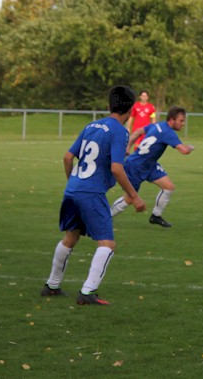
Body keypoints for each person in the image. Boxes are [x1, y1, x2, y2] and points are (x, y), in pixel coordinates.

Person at [40, 86, 146, 306]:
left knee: (70, 238)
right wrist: (134, 196)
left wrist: (72, 182)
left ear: (109, 105)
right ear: (130, 110)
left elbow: (67, 157)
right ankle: (87, 292)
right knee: (107, 244)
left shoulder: (91, 125)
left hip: (73, 189)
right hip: (91, 193)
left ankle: (52, 285)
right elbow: (117, 168)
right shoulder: (120, 131)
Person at [110, 106, 194, 228]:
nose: (183, 124)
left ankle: (156, 216)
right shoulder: (168, 133)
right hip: (135, 166)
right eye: (181, 121)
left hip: (150, 165)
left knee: (169, 187)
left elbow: (138, 132)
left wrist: (128, 146)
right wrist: (190, 147)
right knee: (129, 198)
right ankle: (107, 217)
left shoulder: (158, 125)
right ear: (172, 120)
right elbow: (184, 151)